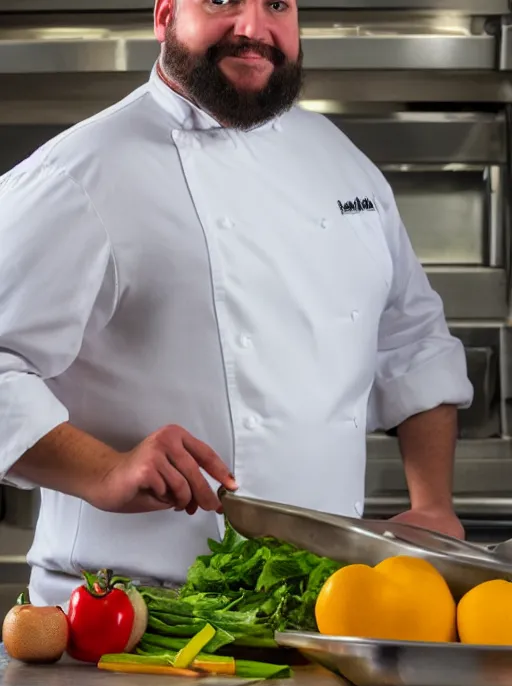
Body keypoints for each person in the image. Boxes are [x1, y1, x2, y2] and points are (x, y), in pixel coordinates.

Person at [0, 0, 473, 608]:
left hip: (318, 609)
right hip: (129, 617)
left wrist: (432, 504)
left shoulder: (343, 164)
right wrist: (103, 471)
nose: (253, 29)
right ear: (165, 14)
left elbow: (413, 340)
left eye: (276, 5)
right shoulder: (78, 174)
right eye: (222, 1)